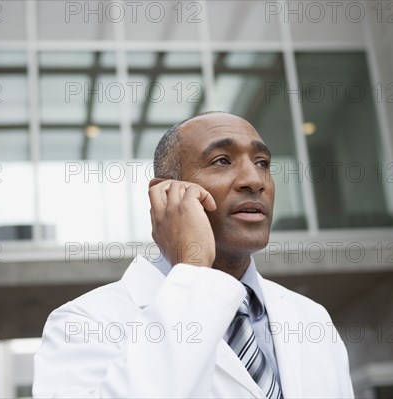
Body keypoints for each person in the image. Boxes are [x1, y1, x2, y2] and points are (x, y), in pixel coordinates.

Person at [33, 112, 354, 398]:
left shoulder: (312, 318)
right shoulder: (83, 323)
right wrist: (194, 269)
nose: (254, 181)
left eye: (262, 163)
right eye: (222, 161)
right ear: (166, 195)